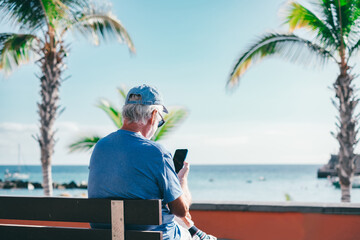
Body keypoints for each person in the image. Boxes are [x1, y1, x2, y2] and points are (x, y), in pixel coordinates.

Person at [88, 84, 216, 240]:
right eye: (160, 121)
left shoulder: (100, 147)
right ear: (154, 115)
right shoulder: (156, 152)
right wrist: (181, 180)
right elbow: (181, 211)